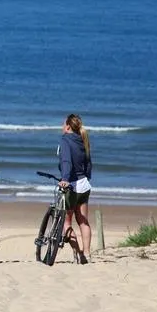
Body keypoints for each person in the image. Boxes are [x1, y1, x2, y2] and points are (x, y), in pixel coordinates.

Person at [59, 113, 93, 264]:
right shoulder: (82, 139)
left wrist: (65, 179)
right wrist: (86, 176)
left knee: (66, 222)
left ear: (67, 126)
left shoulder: (66, 140)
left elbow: (66, 161)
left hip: (72, 185)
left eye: (62, 124)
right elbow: (88, 162)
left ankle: (78, 252)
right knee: (83, 221)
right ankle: (87, 253)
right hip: (84, 184)